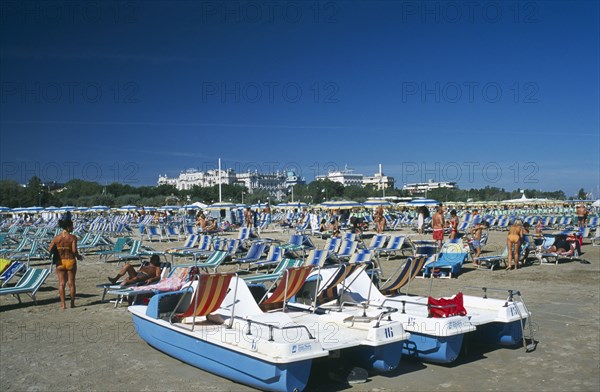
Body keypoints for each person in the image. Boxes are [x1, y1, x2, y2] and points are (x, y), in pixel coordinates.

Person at [49, 215, 83, 309]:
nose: (73, 228)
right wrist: (79, 257)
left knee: (61, 283)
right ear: (68, 227)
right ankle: (72, 303)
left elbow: (50, 249)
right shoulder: (73, 238)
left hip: (60, 262)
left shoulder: (56, 238)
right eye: (72, 226)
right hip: (70, 261)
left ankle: (63, 304)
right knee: (71, 283)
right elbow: (74, 251)